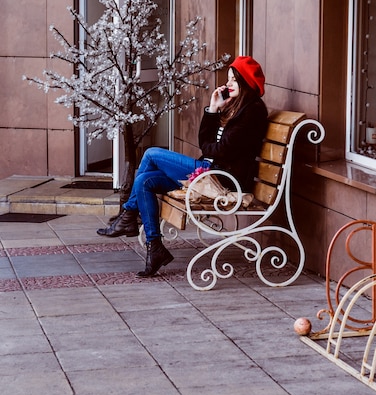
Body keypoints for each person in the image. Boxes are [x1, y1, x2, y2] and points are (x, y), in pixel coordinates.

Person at [97, 56, 268, 277]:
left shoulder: (252, 111)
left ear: (246, 82)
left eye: (234, 80)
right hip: (209, 172)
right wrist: (213, 109)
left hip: (222, 179)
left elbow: (218, 150)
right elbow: (209, 145)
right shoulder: (236, 107)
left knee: (151, 154)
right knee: (144, 181)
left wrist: (210, 146)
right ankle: (154, 246)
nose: (228, 85)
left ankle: (128, 215)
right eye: (228, 79)